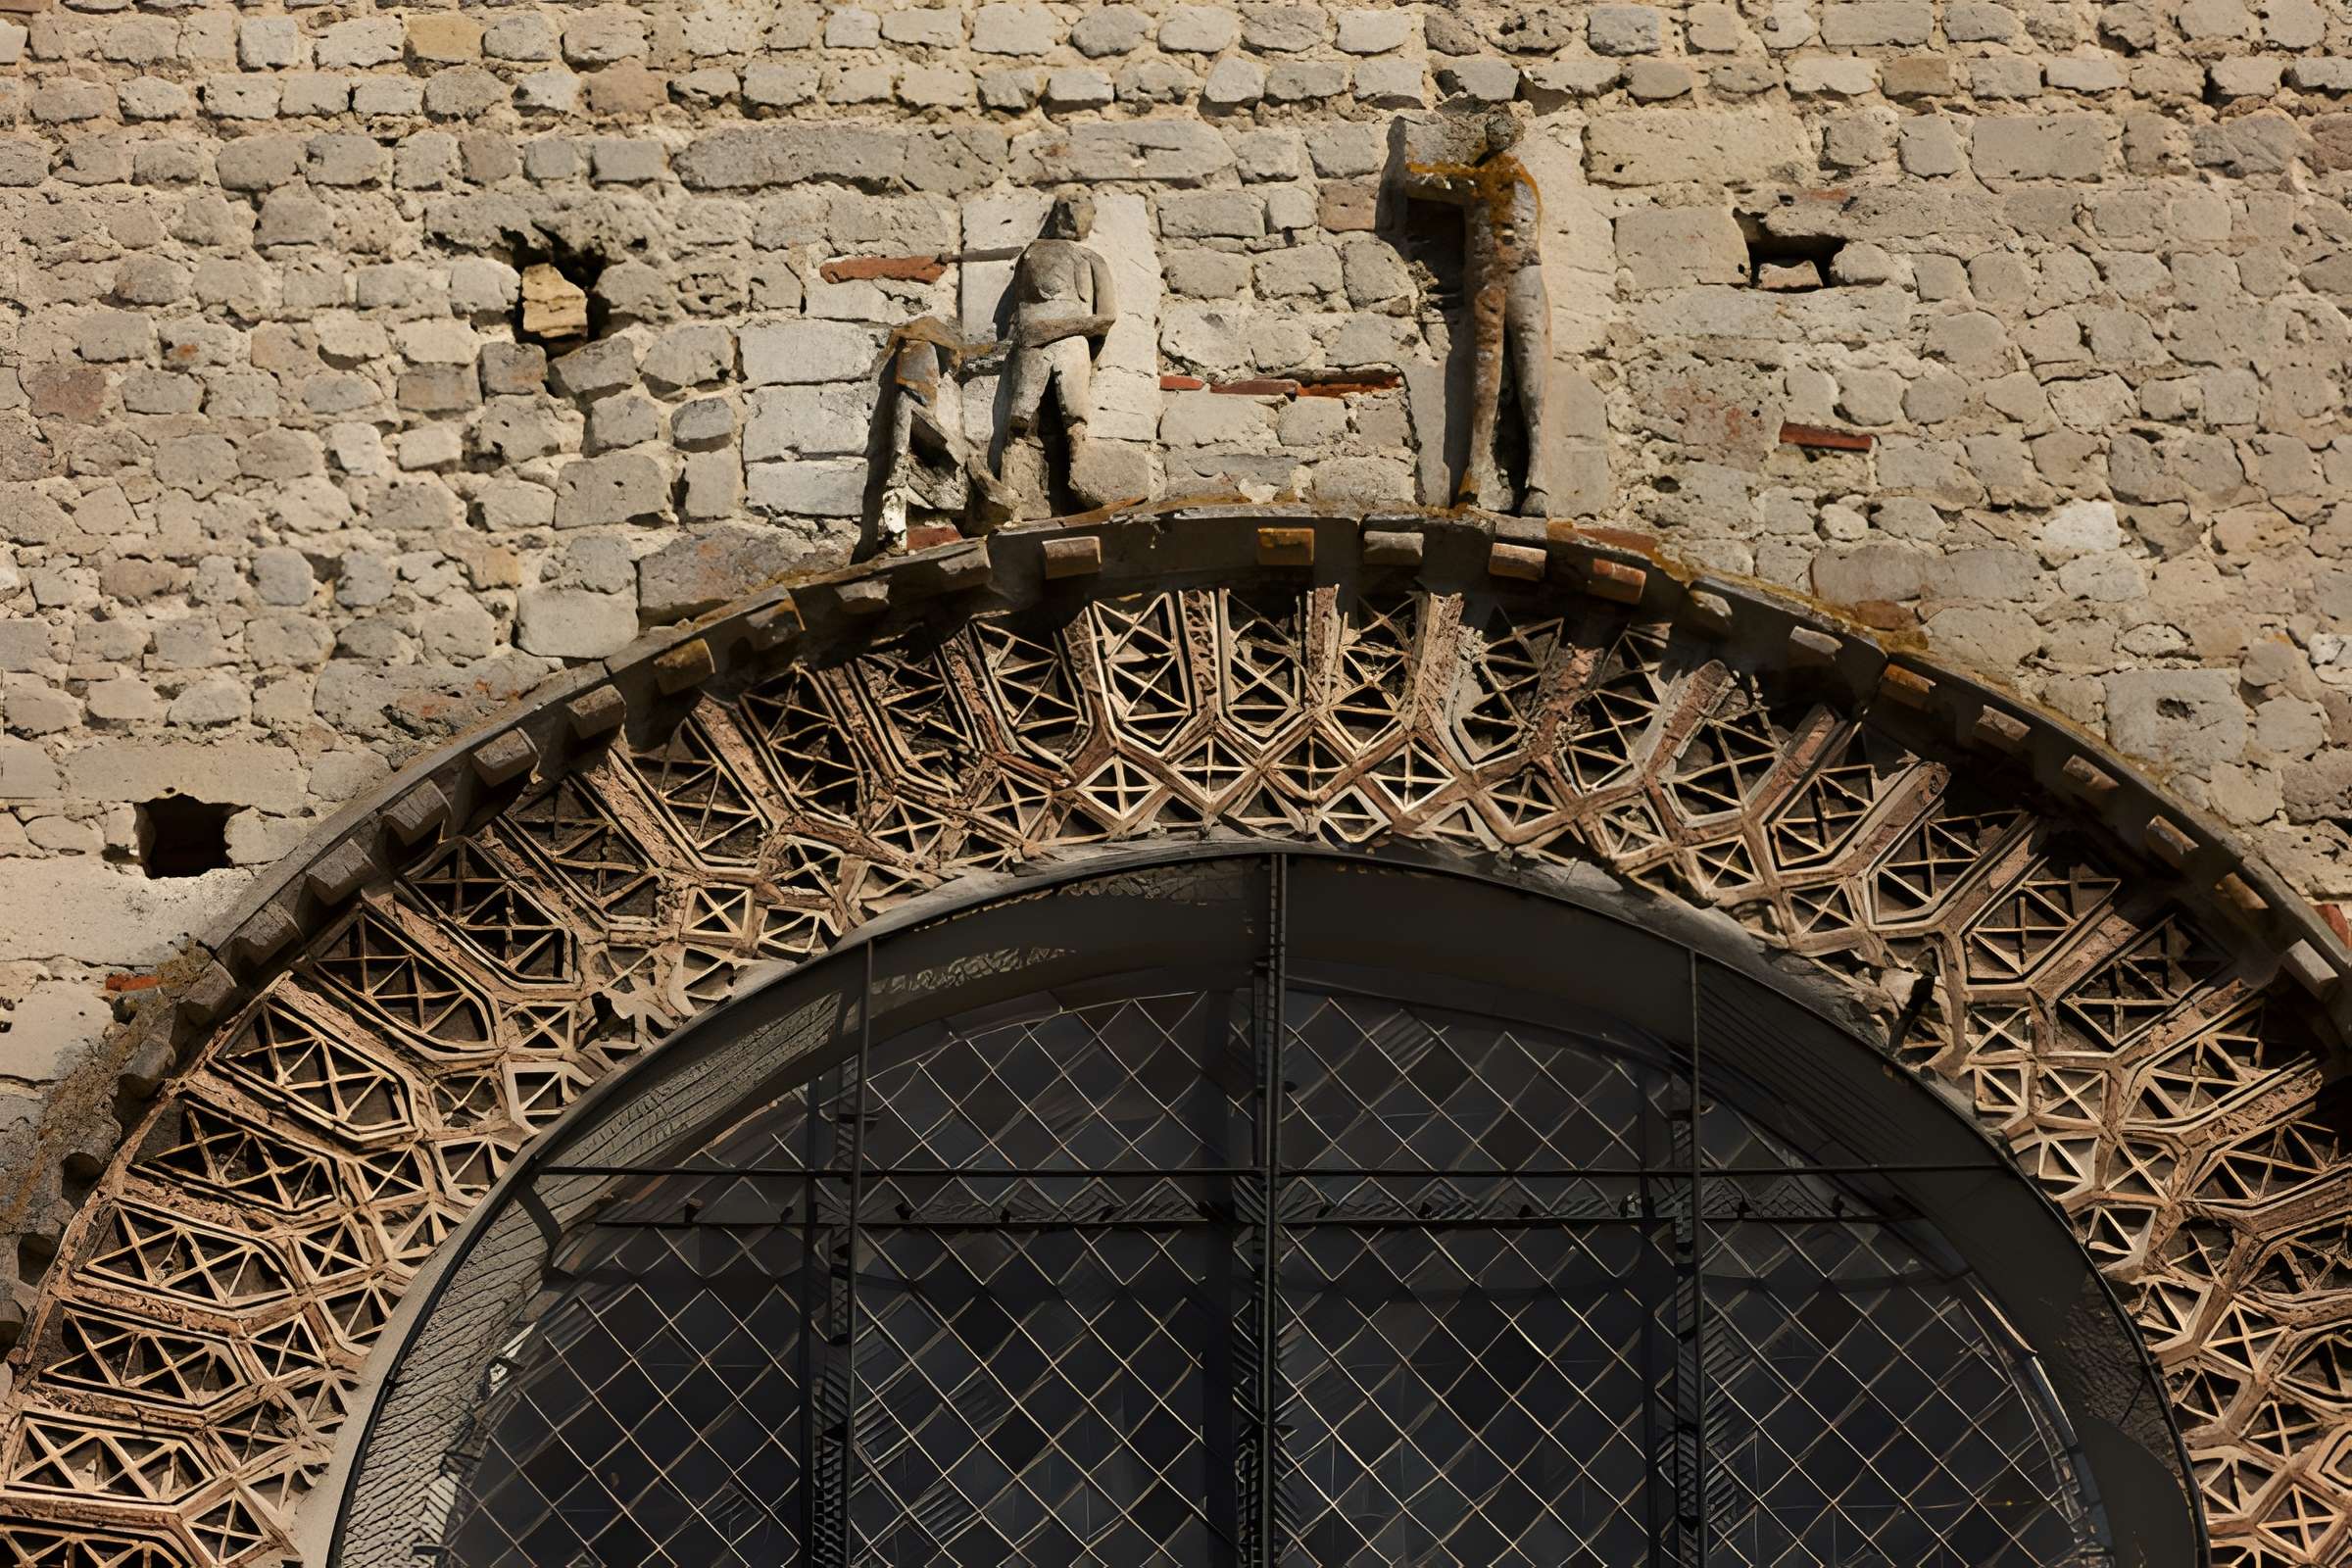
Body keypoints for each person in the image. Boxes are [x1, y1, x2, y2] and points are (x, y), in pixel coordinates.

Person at [1401, 110, 1553, 516]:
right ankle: (1478, 473)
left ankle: (1535, 474)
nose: (1499, 135)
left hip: (1524, 273)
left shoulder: (1514, 180)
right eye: (1494, 130)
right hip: (1490, 278)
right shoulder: (1475, 179)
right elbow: (1422, 177)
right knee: (1489, 367)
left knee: (1529, 361)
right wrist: (1410, 152)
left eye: (1505, 130)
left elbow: (1428, 177)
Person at [1004, 193, 1117, 449]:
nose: (1071, 215)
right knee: (1019, 420)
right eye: (1065, 209)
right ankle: (1016, 460)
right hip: (1030, 344)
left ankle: (1076, 455)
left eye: (1079, 210)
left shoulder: (1091, 259)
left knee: (1075, 422)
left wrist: (1051, 329)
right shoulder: (1031, 253)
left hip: (1067, 341)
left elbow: (1107, 318)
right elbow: (1019, 312)